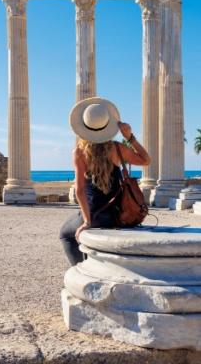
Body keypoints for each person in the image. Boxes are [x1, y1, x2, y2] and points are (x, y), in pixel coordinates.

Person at [59, 97, 151, 265]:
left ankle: (80, 271)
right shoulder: (117, 148)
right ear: (107, 125)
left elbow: (79, 190)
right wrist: (130, 137)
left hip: (95, 214)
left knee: (65, 234)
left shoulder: (79, 152)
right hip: (117, 215)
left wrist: (87, 221)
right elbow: (146, 160)